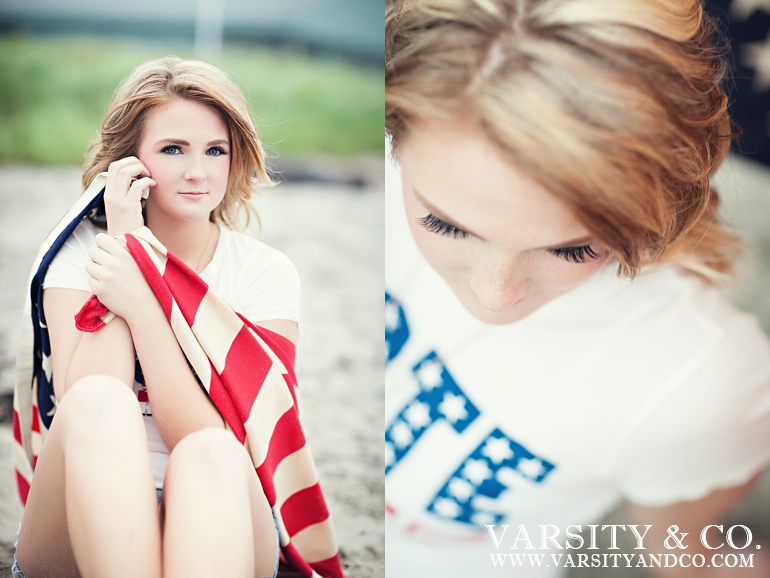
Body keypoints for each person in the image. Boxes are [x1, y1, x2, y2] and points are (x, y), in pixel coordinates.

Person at [384, 0, 770, 576]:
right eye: (444, 223)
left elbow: (689, 556)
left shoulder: (702, 382)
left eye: (572, 249)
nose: (495, 296)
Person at [12, 57, 342, 578]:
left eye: (216, 151)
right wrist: (125, 242)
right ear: (130, 162)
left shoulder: (263, 274)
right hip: (88, 509)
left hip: (223, 506)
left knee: (211, 451)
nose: (198, 172)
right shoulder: (82, 253)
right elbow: (86, 398)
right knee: (100, 399)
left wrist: (143, 305)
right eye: (172, 149)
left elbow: (217, 438)